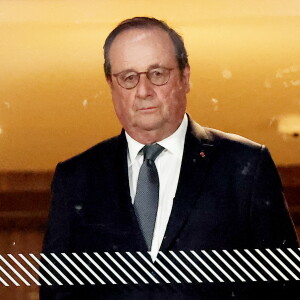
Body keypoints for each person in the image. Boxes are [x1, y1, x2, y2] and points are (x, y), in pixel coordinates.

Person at [40, 17, 299, 299]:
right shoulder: (76, 178)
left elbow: (284, 288)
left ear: (185, 77)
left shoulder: (245, 166)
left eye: (158, 74)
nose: (143, 91)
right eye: (128, 78)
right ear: (111, 85)